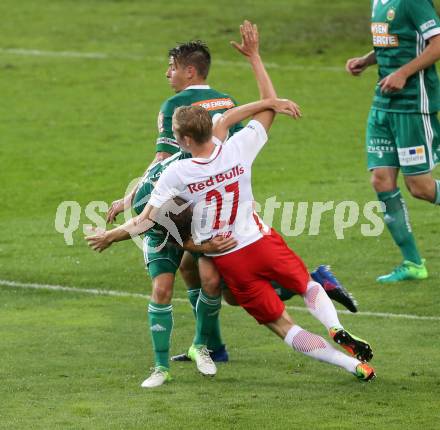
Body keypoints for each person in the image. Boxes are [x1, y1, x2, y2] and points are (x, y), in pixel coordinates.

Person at [87, 93, 376, 382]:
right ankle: (334, 325)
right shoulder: (235, 149)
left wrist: (110, 236)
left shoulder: (177, 173)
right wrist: (270, 100)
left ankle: (352, 366)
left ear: (186, 140)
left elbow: (144, 219)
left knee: (283, 325)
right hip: (261, 242)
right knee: (305, 284)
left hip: (227, 256)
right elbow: (247, 117)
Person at [345, 0, 440, 283]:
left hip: (411, 107)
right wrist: (366, 60)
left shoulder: (412, 1)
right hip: (383, 106)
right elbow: (392, 43)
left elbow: (436, 44)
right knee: (381, 181)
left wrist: (403, 73)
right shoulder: (378, 2)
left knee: (420, 187)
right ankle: (413, 263)